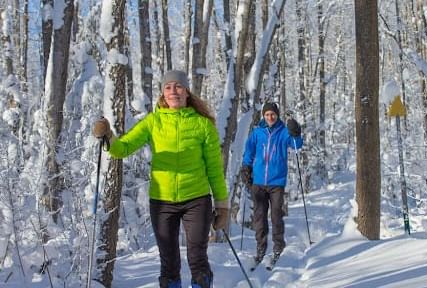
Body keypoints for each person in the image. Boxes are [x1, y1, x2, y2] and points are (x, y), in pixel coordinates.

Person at [92, 70, 229, 288]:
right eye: (168, 87)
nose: (173, 91)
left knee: (198, 260)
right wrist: (108, 136)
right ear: (163, 94)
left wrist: (222, 205)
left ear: (186, 92)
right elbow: (123, 148)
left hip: (197, 199)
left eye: (178, 86)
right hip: (162, 201)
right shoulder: (153, 122)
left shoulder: (203, 125)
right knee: (169, 264)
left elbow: (214, 168)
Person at [240, 102, 303, 264]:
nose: (270, 117)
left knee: (276, 215)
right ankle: (260, 248)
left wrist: (296, 133)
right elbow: (249, 151)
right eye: (267, 114)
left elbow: (296, 145)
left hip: (277, 182)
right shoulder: (257, 132)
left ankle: (278, 246)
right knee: (259, 217)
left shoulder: (283, 132)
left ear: (277, 115)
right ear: (263, 116)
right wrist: (246, 167)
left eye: (273, 114)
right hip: (258, 181)